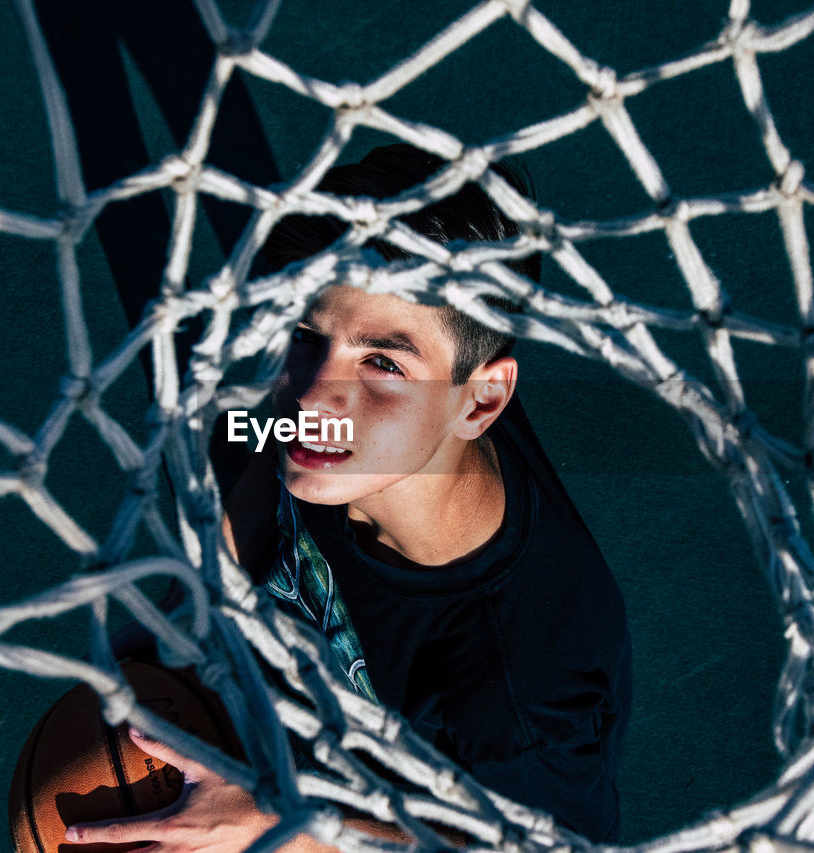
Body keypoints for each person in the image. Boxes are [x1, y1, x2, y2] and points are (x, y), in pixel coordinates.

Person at [64, 144, 633, 850]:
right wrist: (203, 593)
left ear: (481, 401)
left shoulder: (516, 696)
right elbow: (258, 436)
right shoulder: (369, 431)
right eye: (305, 336)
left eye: (382, 363)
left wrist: (285, 827)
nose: (311, 397)